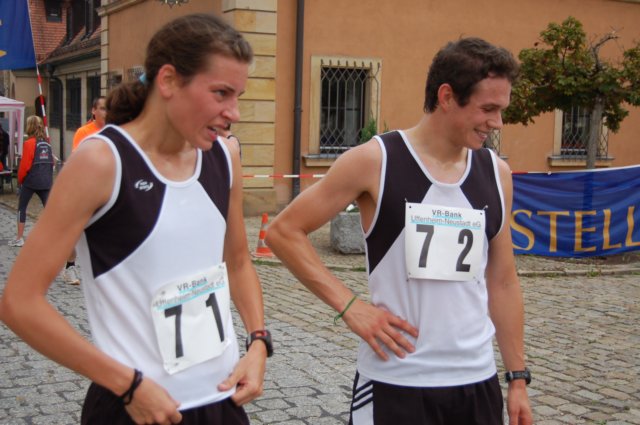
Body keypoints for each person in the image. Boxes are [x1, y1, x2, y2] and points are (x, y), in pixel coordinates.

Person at [1, 13, 271, 425]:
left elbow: (236, 262)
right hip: (135, 407)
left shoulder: (224, 156)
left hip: (220, 401)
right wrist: (126, 385)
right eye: (221, 93)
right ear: (169, 80)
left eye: (238, 96)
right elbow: (19, 302)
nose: (233, 112)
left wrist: (259, 342)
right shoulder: (101, 162)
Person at [266, 37, 533, 425]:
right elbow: (283, 231)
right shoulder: (375, 161)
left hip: (476, 382)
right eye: (488, 109)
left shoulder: (496, 173)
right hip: (396, 382)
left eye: (501, 110)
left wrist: (518, 378)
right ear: (446, 96)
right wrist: (350, 306)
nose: (497, 123)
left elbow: (503, 281)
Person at [62, 96, 107, 284]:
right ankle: (70, 267)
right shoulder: (84, 132)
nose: (106, 112)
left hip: (106, 191)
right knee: (76, 232)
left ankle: (102, 271)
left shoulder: (116, 131)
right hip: (85, 189)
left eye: (109, 108)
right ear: (93, 111)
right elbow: (78, 160)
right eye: (102, 108)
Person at [8, 116, 54, 247]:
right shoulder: (47, 144)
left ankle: (19, 238)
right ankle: (53, 238)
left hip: (31, 181)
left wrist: (20, 181)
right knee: (50, 210)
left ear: (29, 127)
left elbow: (24, 167)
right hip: (46, 181)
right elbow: (51, 164)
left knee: (22, 207)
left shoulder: (29, 143)